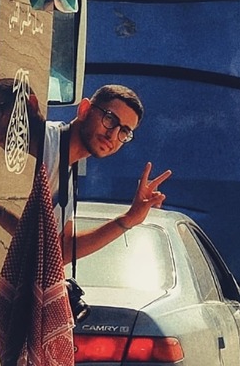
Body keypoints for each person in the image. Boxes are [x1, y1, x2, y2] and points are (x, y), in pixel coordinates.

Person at [46, 85, 172, 263]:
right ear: (84, 110)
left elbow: (61, 250)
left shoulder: (68, 172)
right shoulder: (47, 142)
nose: (113, 135)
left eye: (124, 131)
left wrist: (130, 218)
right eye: (110, 118)